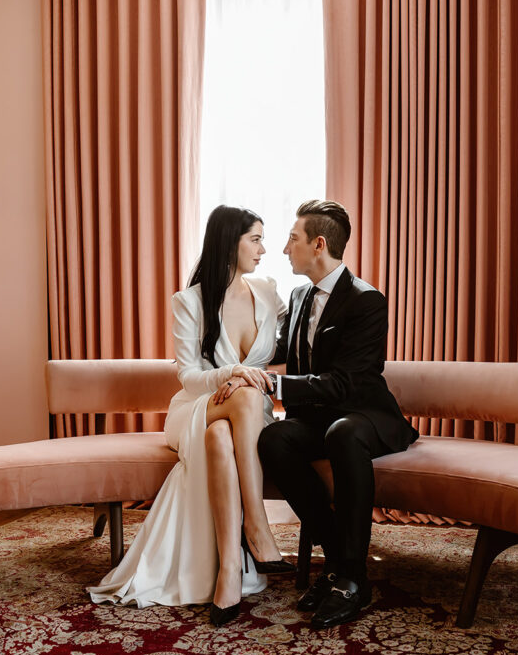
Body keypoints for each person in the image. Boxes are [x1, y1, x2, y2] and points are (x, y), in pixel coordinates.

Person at [88, 205, 294, 627]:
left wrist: (252, 377)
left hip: (239, 417)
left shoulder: (269, 291)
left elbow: (289, 353)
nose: (264, 249)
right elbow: (188, 375)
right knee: (245, 400)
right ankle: (256, 526)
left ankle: (230, 572)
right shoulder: (189, 301)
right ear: (229, 242)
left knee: (223, 433)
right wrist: (236, 372)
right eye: (255, 239)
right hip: (195, 407)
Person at [258, 199, 419, 630]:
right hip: (317, 417)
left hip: (362, 415)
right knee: (274, 438)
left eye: (293, 239)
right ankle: (337, 560)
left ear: (319, 244)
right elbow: (275, 352)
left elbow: (346, 383)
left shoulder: (367, 302)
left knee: (343, 433)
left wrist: (274, 385)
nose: (285, 248)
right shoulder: (297, 295)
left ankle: (351, 578)